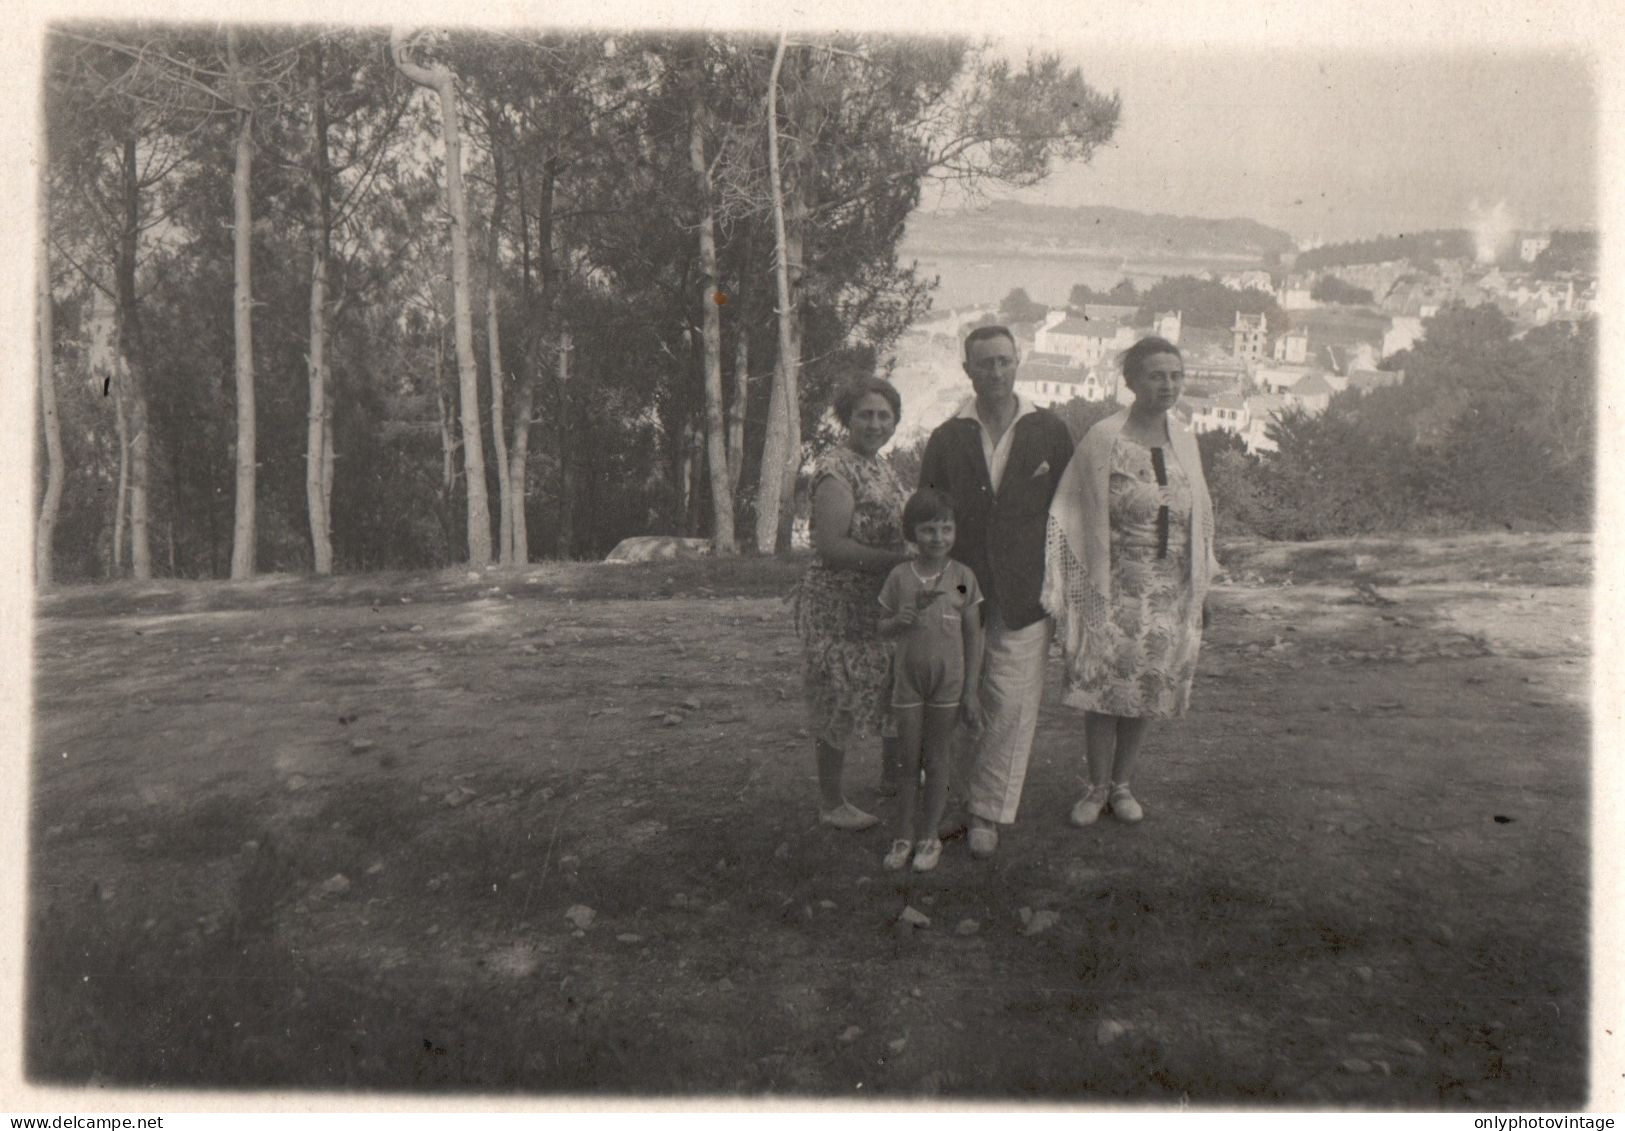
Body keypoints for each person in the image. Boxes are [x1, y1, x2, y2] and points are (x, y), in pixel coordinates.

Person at [1041, 336, 1219, 826]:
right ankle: (1095, 787)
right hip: (1112, 584)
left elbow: (1198, 514)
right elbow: (1072, 510)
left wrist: (1201, 586)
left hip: (1169, 589)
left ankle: (1123, 785)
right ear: (1132, 381)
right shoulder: (1104, 438)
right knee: (1102, 687)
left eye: (1175, 375)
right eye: (1156, 375)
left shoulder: (1185, 438)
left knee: (1146, 687)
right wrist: (1073, 586)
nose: (1167, 385)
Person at [919, 325, 1074, 857]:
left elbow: (1067, 516)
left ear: (1018, 362)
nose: (996, 371)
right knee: (957, 694)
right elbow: (928, 513)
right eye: (984, 363)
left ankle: (985, 811)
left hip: (1025, 591)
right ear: (967, 369)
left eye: (1005, 360)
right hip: (961, 587)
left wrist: (1062, 587)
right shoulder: (947, 437)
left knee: (1009, 702)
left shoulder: (1049, 431)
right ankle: (947, 801)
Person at [795, 376, 911, 831]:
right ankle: (831, 802)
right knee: (837, 695)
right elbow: (832, 547)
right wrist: (899, 561)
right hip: (839, 603)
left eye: (885, 415)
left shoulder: (882, 467)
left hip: (876, 600)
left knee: (887, 683)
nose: (876, 423)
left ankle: (890, 780)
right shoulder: (836, 468)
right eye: (865, 414)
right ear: (847, 418)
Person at [876, 489, 984, 873]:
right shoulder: (899, 576)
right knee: (908, 761)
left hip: (949, 685)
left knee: (938, 760)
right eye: (928, 530)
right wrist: (898, 620)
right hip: (908, 683)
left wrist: (970, 690)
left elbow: (974, 635)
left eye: (946, 529)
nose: (938, 538)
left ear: (955, 532)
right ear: (912, 532)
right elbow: (881, 627)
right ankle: (903, 835)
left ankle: (929, 836)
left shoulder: (962, 578)